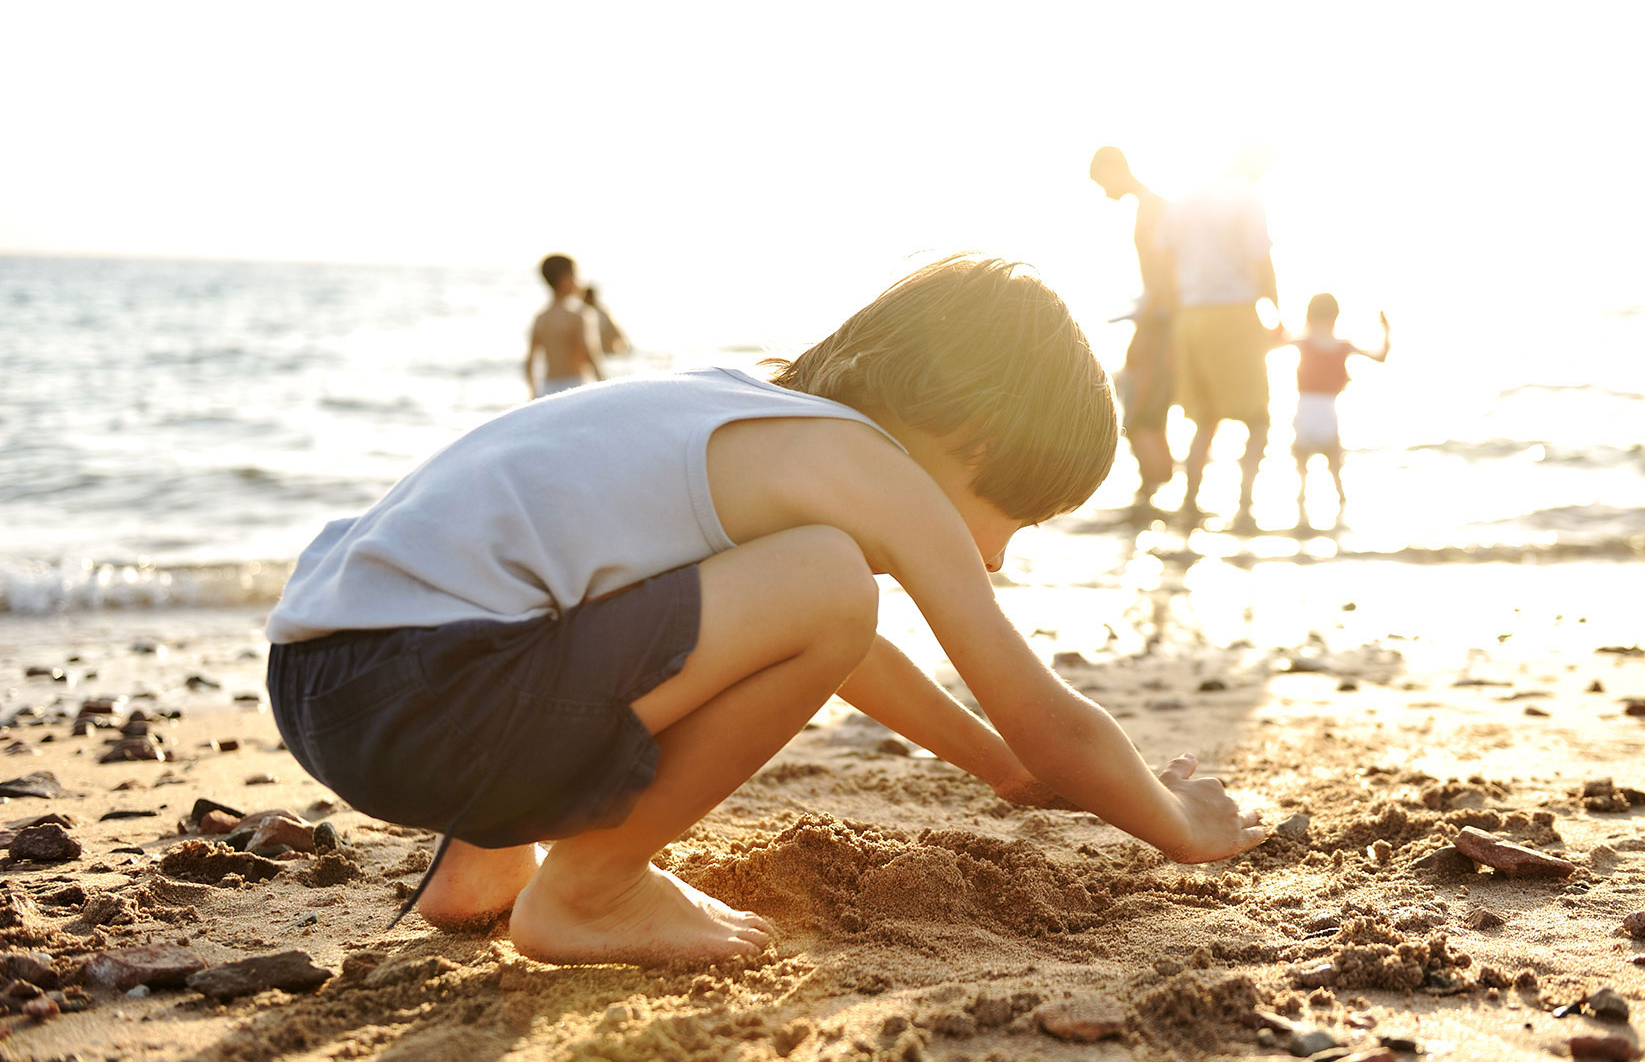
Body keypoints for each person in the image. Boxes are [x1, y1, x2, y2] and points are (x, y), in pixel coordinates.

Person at [263, 256, 1266, 967]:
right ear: (969, 436)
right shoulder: (868, 472)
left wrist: (993, 767)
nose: (996, 554)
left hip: (330, 678)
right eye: (1016, 515)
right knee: (830, 577)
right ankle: (592, 887)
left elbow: (837, 647)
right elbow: (1039, 711)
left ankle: (481, 869)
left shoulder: (742, 413)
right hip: (435, 695)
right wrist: (1179, 823)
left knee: (751, 585)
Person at [1157, 153, 1280, 530]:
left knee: (1203, 418)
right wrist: (1276, 313)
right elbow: (1262, 261)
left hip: (1190, 317)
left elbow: (1163, 255)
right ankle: (1245, 504)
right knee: (1257, 419)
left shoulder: (1184, 199)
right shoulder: (1246, 199)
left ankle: (1190, 502)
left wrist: (1173, 312)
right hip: (1234, 311)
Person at [1089, 146, 1174, 513]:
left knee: (1140, 410)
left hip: (1161, 320)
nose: (1104, 192)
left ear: (1114, 169)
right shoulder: (1152, 206)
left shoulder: (1153, 209)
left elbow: (1165, 276)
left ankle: (1151, 496)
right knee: (1148, 407)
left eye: (1102, 182)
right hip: (1160, 316)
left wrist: (1146, 326)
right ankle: (1153, 493)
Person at [1286, 295, 1390, 530]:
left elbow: (1268, 344)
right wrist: (1386, 330)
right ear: (1336, 316)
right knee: (1336, 475)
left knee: (1301, 475)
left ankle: (1301, 517)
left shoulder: (1303, 342)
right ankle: (1341, 517)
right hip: (1328, 415)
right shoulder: (1343, 346)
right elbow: (1381, 357)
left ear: (1309, 316)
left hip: (1304, 413)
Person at [526, 254, 605, 399]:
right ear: (564, 279)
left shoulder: (541, 318)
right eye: (576, 275)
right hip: (575, 385)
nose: (579, 281)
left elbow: (530, 360)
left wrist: (533, 393)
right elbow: (589, 354)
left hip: (547, 387)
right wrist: (605, 385)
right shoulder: (579, 314)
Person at [584, 285, 632, 357]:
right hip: (597, 355)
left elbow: (617, 333)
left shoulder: (602, 314)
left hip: (605, 355)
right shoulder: (581, 314)